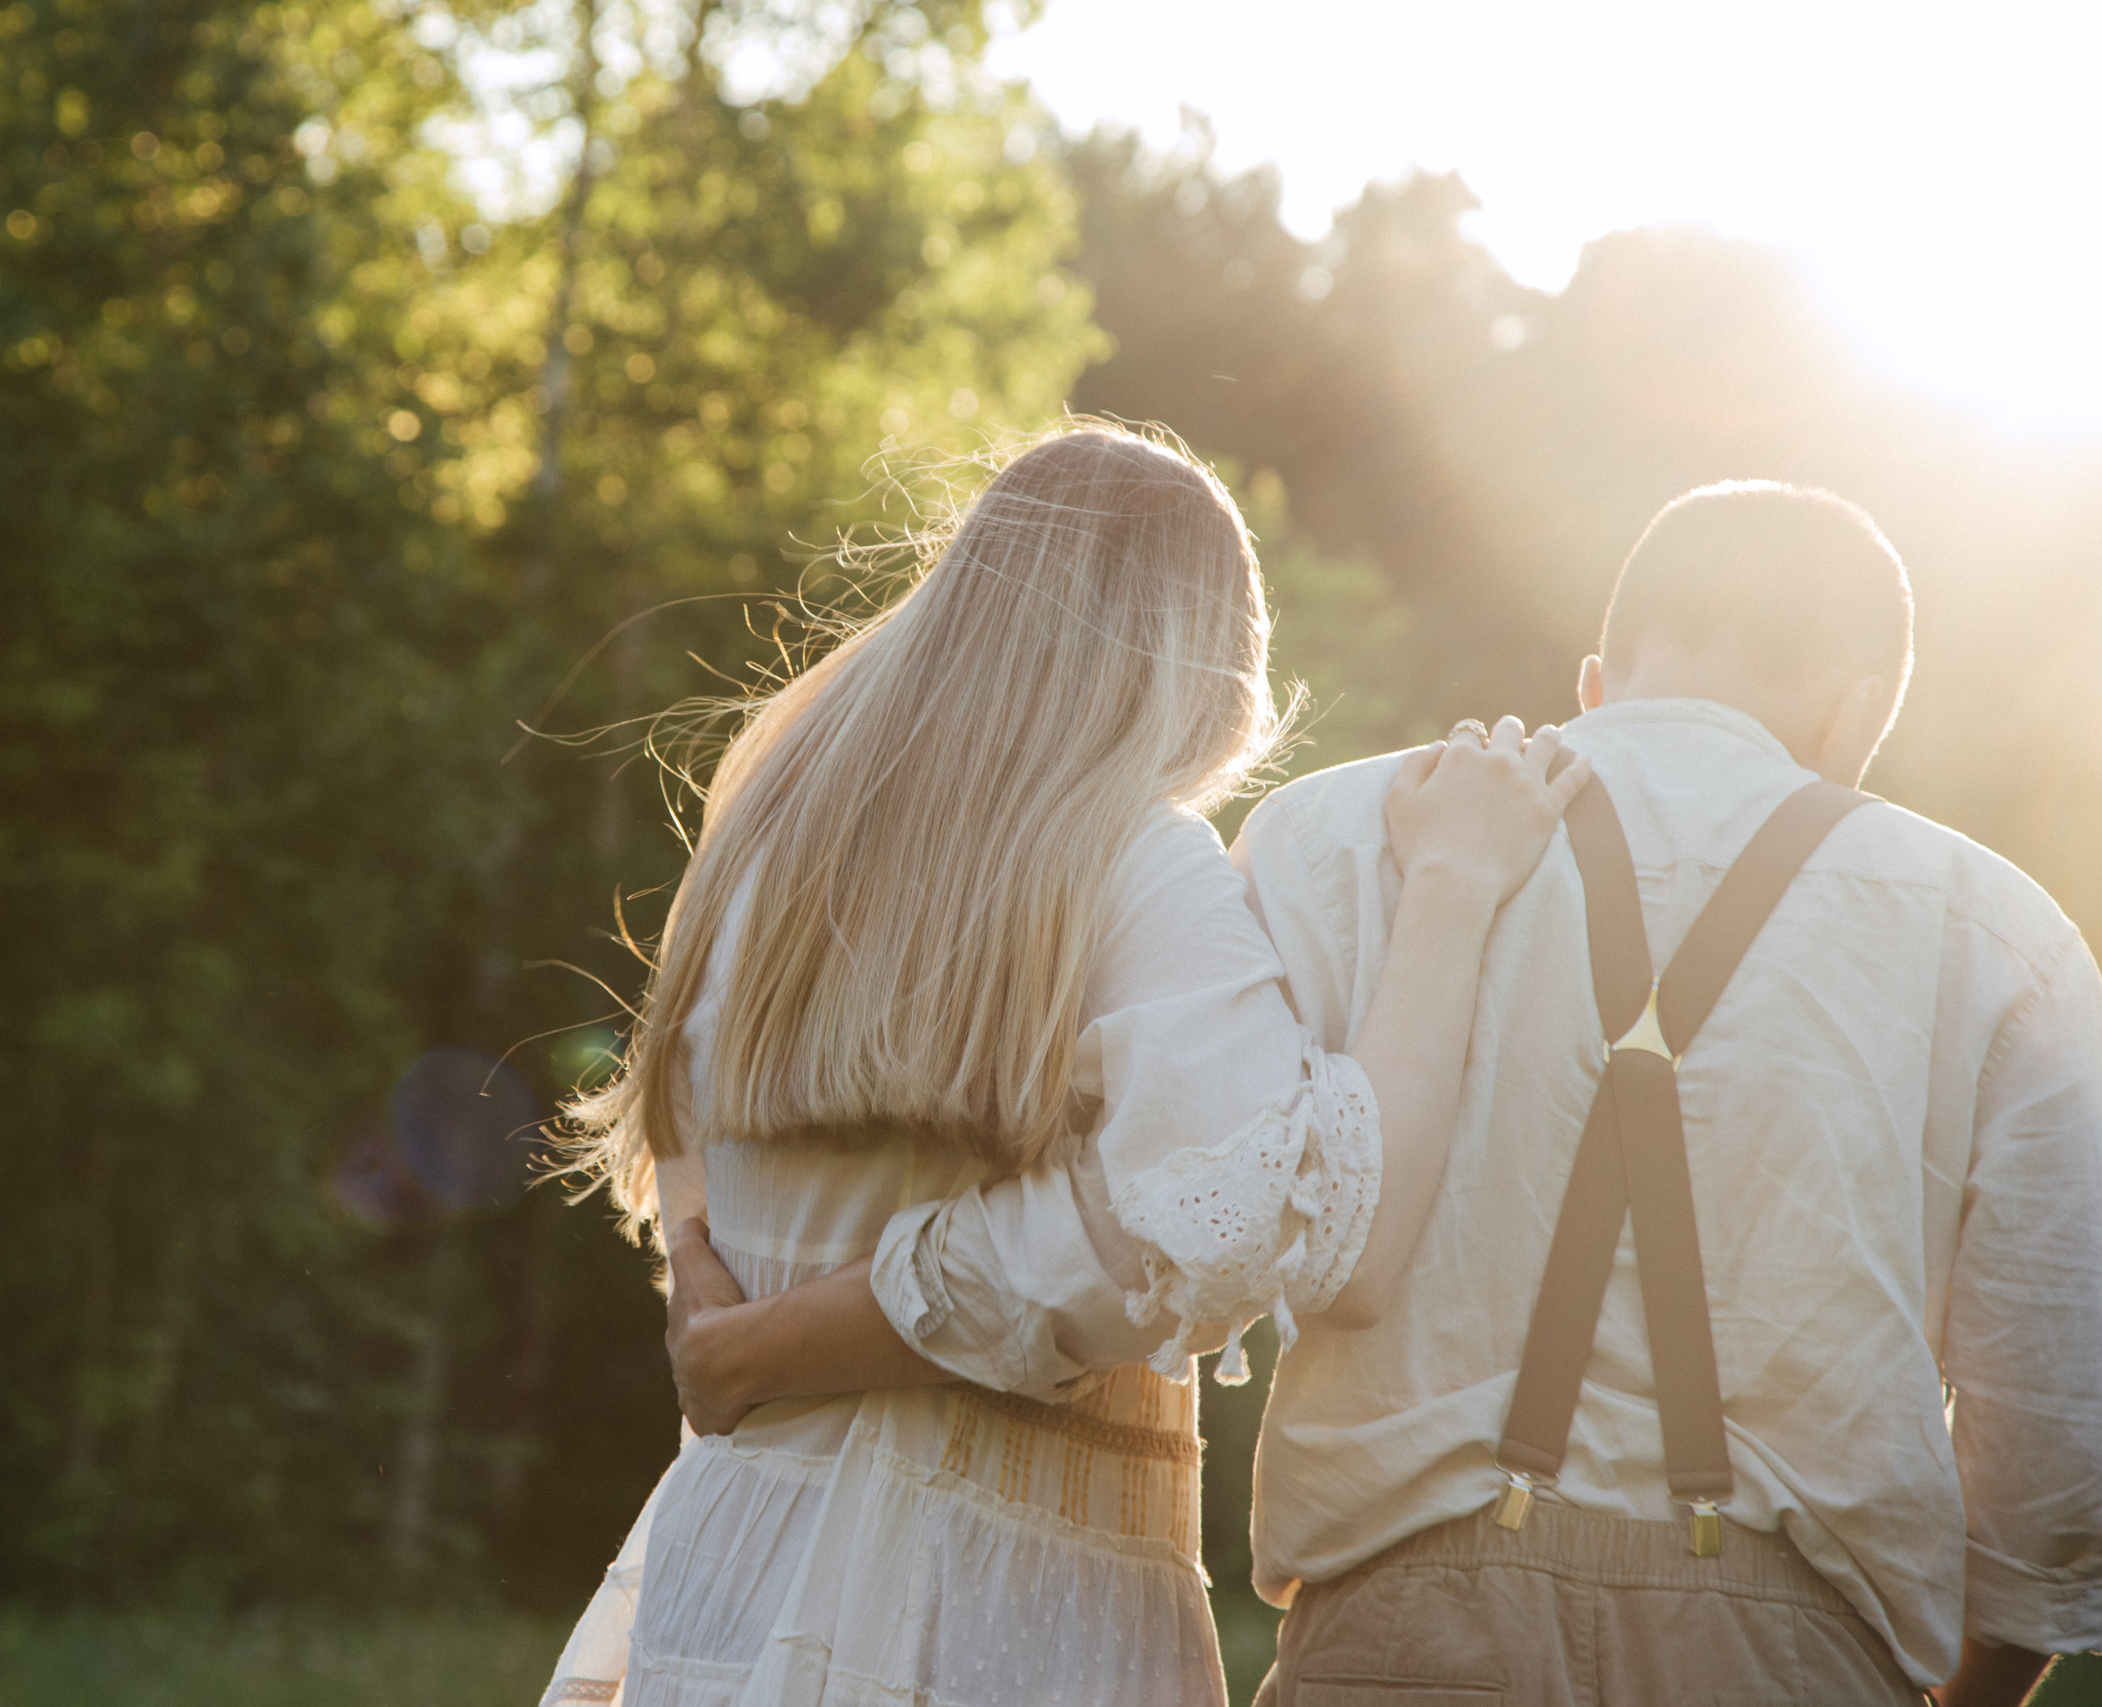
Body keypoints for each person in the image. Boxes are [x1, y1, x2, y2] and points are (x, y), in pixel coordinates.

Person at [669, 480, 2102, 1706]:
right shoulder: (2002, 934)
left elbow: (1155, 1209)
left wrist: (780, 1326)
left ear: (1600, 677)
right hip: (1792, 1648)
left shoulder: (1331, 836)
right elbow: (2053, 1417)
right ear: (1856, 716)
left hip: (1404, 1635)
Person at [539, 423, 1586, 1707]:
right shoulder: (1136, 866)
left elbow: (690, 1181)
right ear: (1208, 668)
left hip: (734, 1564)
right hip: (979, 1608)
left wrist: (757, 1343)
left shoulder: (763, 848)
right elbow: (1240, 1212)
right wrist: (1450, 891)